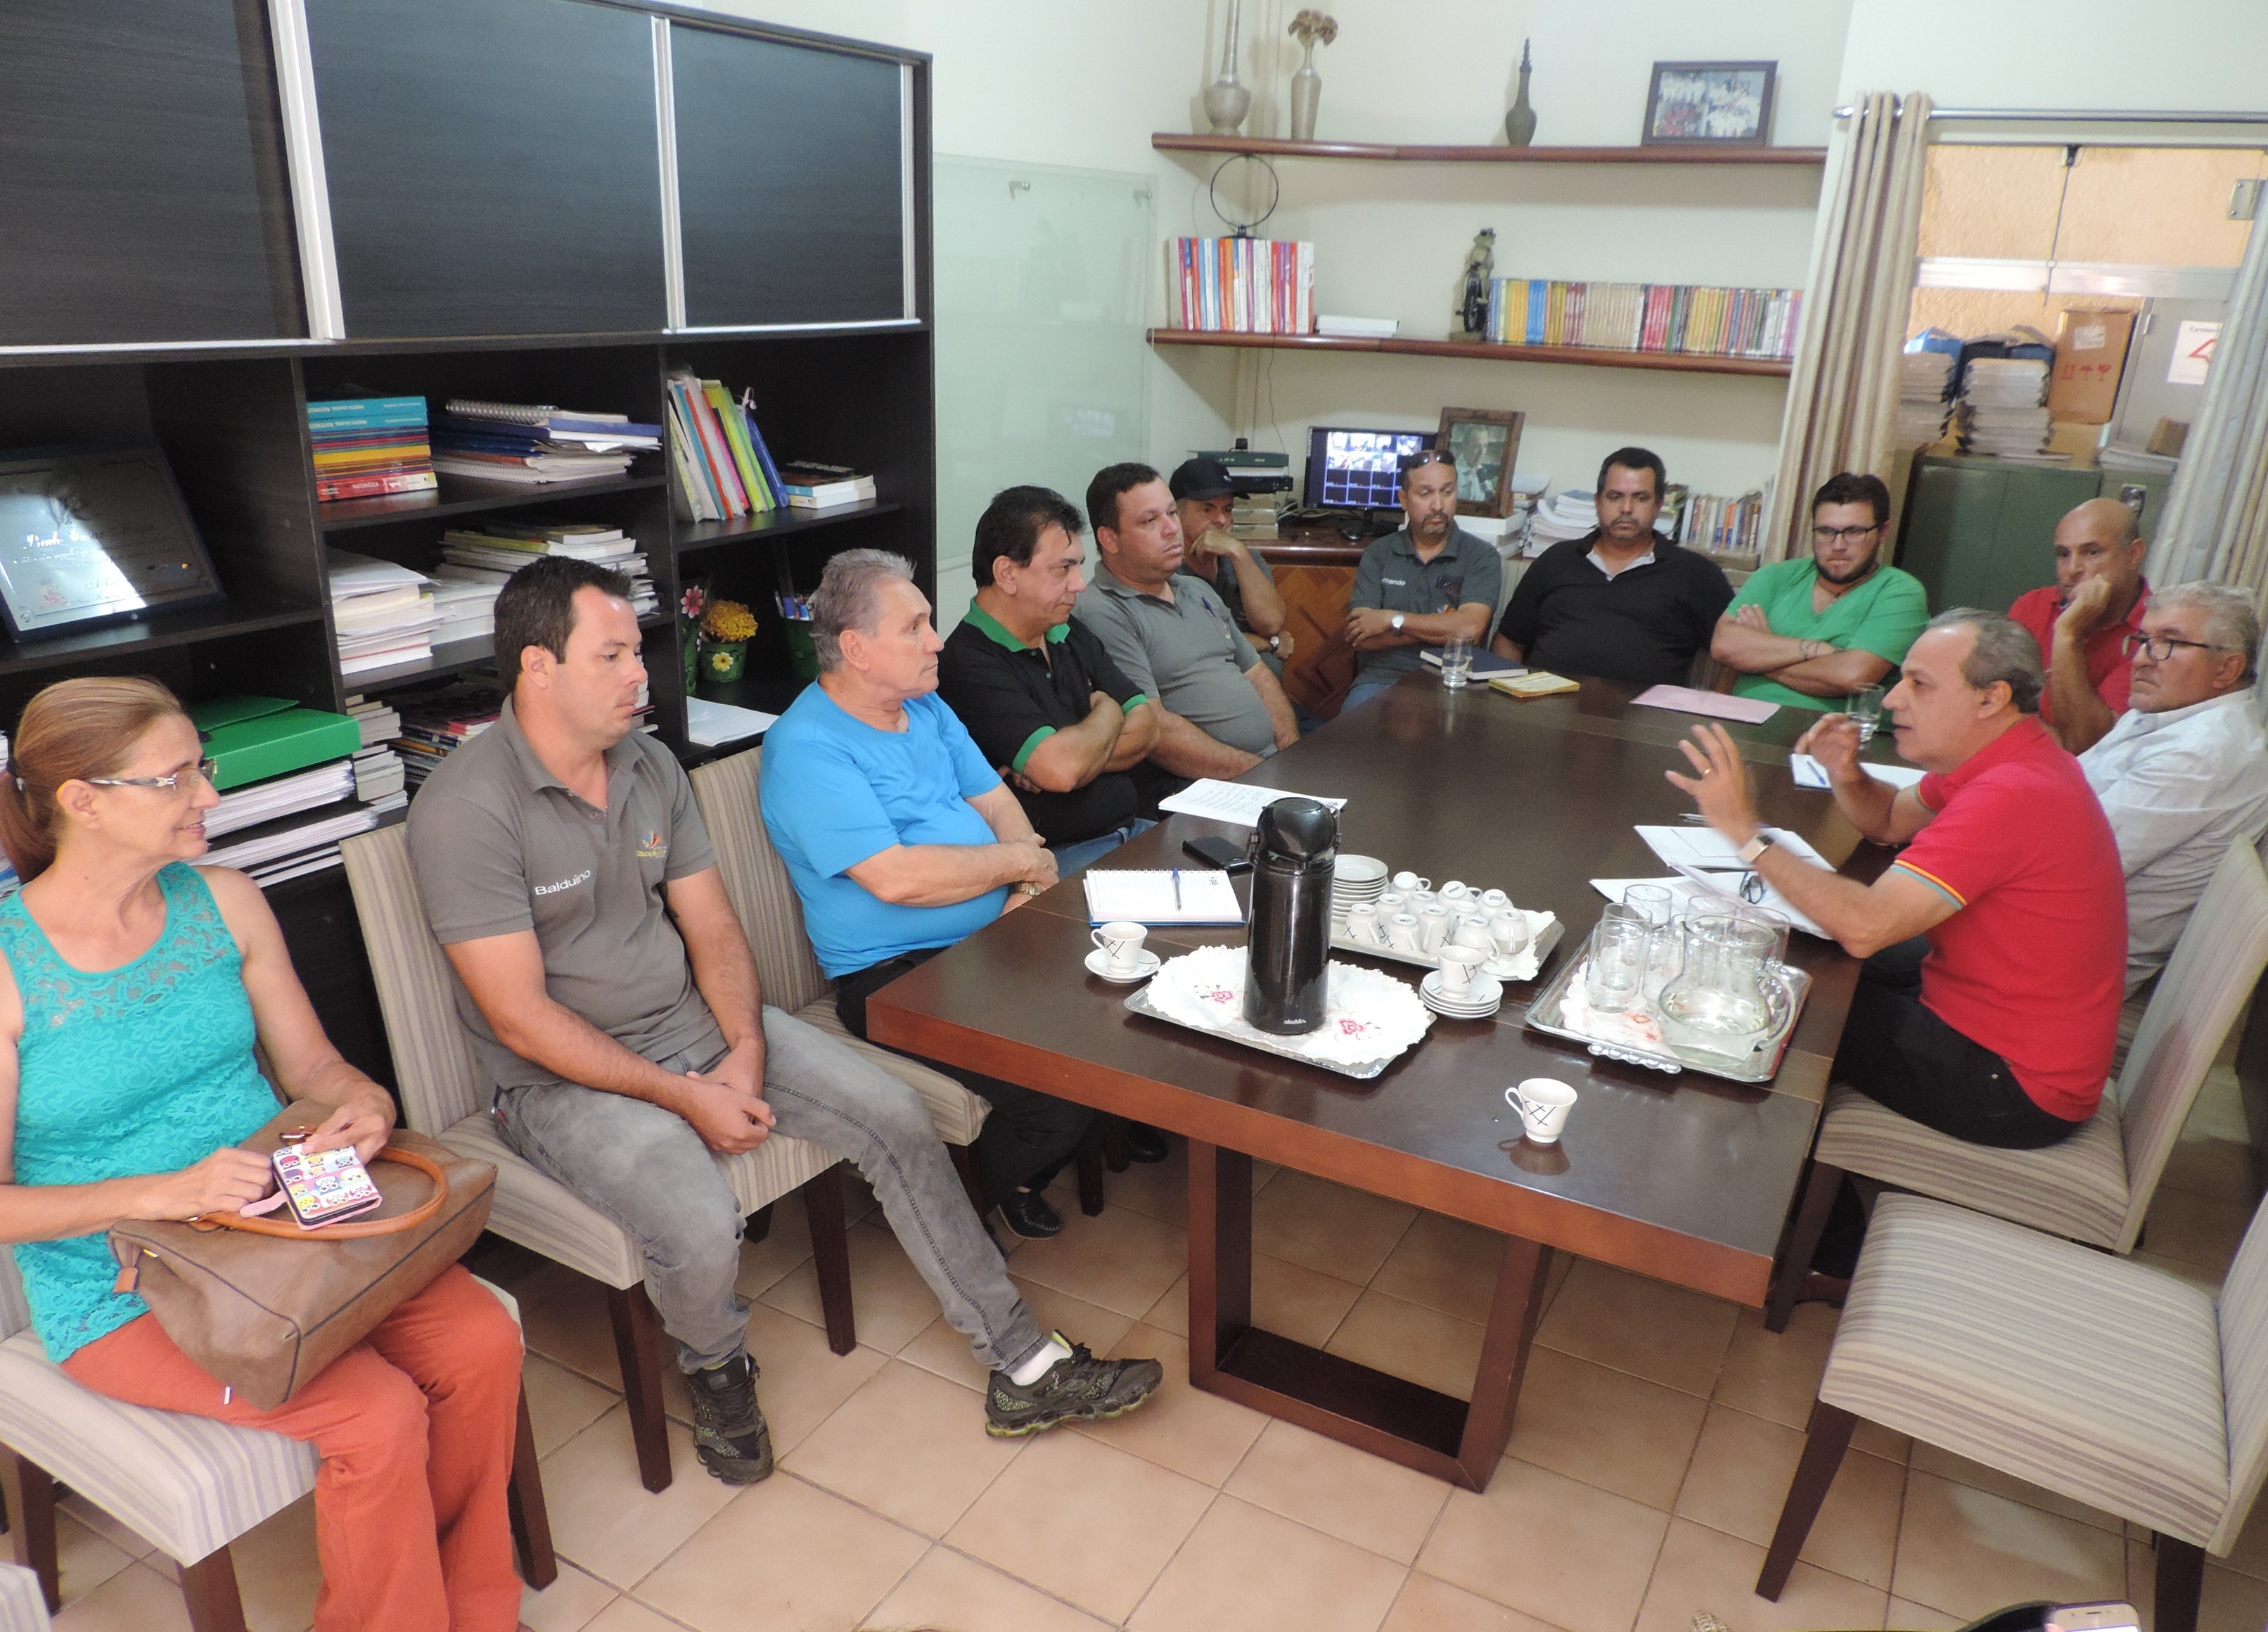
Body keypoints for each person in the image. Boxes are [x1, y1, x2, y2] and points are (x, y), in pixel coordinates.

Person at [412, 558, 1158, 1483]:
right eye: (611, 656)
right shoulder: (466, 811)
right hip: (555, 1083)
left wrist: (746, 1047)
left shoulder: (647, 765)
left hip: (696, 1026)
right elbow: (521, 1021)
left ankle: (1024, 1366)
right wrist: (684, 1097)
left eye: (637, 650)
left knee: (893, 1114)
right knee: (692, 1215)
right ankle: (716, 1365)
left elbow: (714, 924)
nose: (641, 674)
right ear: (537, 668)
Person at [0, 678, 523, 1632]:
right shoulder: (6, 965)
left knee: (482, 1344)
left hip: (288, 1226)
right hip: (121, 1288)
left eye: (202, 767)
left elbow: (314, 1066)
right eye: (175, 779)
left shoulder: (225, 901)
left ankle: (473, 1610)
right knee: (374, 1414)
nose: (208, 795)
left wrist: (361, 1100)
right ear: (82, 800)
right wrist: (165, 1193)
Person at [761, 549, 1124, 1239]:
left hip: (993, 936)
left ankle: (1025, 1171)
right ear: (855, 648)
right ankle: (957, 1214)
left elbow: (996, 802)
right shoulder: (808, 748)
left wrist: (1022, 881)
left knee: (1121, 1013)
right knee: (1054, 1094)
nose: (937, 640)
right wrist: (1019, 862)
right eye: (916, 626)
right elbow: (896, 877)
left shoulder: (922, 705)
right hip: (893, 978)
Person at [1670, 610, 2125, 1149]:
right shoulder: (2010, 757)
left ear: (1990, 698)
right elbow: (1888, 820)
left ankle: (1756, 1189)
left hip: (2012, 1085)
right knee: (1798, 958)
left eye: (1918, 684)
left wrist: (1745, 832)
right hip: (1991, 1017)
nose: (1890, 700)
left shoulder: (2013, 793)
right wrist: (1846, 771)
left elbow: (1865, 926)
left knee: (1773, 1004)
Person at [937, 485, 1161, 877]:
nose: (1079, 584)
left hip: (1132, 832)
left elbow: (1146, 726)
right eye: (1064, 568)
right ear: (1007, 573)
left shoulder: (1066, 630)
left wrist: (1080, 758)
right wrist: (1107, 712)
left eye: (1078, 566)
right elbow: (1061, 770)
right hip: (1059, 861)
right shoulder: (968, 661)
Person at [2077, 582, 2268, 992]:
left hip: (2065, 963)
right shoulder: (2172, 708)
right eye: (2144, 640)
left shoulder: (2205, 752)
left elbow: (2070, 860)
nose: (2144, 658)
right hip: (2043, 919)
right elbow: (2064, 790)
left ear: (2227, 670)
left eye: (2170, 643)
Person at [1076, 463, 1300, 801]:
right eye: (1150, 521)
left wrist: (1290, 759)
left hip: (1265, 772)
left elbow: (1258, 674)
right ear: (1109, 539)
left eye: (1171, 514)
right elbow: (1156, 730)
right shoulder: (1102, 611)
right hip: (1196, 785)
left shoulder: (1197, 590)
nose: (1172, 530)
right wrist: (1261, 778)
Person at [1492, 446, 1733, 686]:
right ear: (1598, 502)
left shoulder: (1696, 574)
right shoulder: (1556, 560)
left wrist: (1714, 711)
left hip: (1646, 718)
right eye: (1615, 497)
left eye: (1640, 498)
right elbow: (1509, 642)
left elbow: (1734, 653)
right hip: (1547, 710)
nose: (1626, 509)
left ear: (1658, 506)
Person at [1709, 471, 1929, 710]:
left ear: (1883, 532)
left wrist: (1760, 652)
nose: (1838, 546)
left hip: (1830, 734)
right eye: (1826, 532)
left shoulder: (1900, 592)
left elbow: (1852, 676)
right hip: (1742, 719)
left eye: (1854, 532)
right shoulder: (1775, 577)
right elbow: (1724, 645)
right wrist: (1821, 651)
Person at [1340, 447, 1504, 713]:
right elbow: (1362, 637)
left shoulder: (1481, 556)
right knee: (1348, 741)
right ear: (1404, 499)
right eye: (1425, 494)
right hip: (1382, 679)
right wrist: (1442, 630)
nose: (1438, 505)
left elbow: (1470, 629)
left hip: (1453, 681)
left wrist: (1392, 620)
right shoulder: (1379, 553)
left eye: (1447, 492)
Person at [2006, 497, 2151, 754]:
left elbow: (2083, 745)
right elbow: (1988, 710)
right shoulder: (2033, 605)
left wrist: (2067, 634)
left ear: (2133, 554)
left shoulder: (2155, 633)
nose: (2073, 569)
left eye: (2092, 552)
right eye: (2063, 554)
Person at [1170, 456, 1293, 675]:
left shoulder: (1245, 559)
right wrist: (1269, 643)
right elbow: (1201, 643)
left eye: (1227, 509)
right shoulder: (1168, 570)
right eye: (1208, 509)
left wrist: (1238, 554)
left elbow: (1272, 624)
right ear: (1177, 514)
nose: (1221, 520)